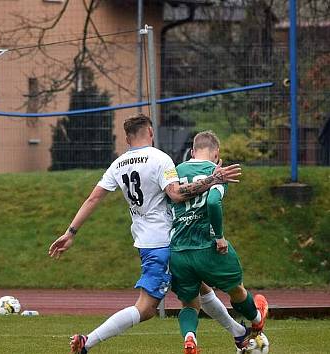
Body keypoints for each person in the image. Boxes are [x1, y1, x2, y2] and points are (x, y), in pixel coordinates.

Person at [48, 114, 241, 354]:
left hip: (147, 243)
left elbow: (93, 198)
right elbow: (177, 194)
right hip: (167, 241)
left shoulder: (118, 164)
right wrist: (214, 179)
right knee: (147, 308)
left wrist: (70, 232)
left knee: (200, 288)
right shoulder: (161, 159)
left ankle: (239, 334)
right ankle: (88, 342)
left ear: (127, 138)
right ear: (150, 132)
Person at [169, 131, 268, 354]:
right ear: (217, 154)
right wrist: (219, 236)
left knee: (189, 304)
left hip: (178, 249)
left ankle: (190, 338)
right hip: (207, 247)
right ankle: (257, 318)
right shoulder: (217, 172)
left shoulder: (174, 172)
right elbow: (213, 202)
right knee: (237, 290)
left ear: (192, 151)